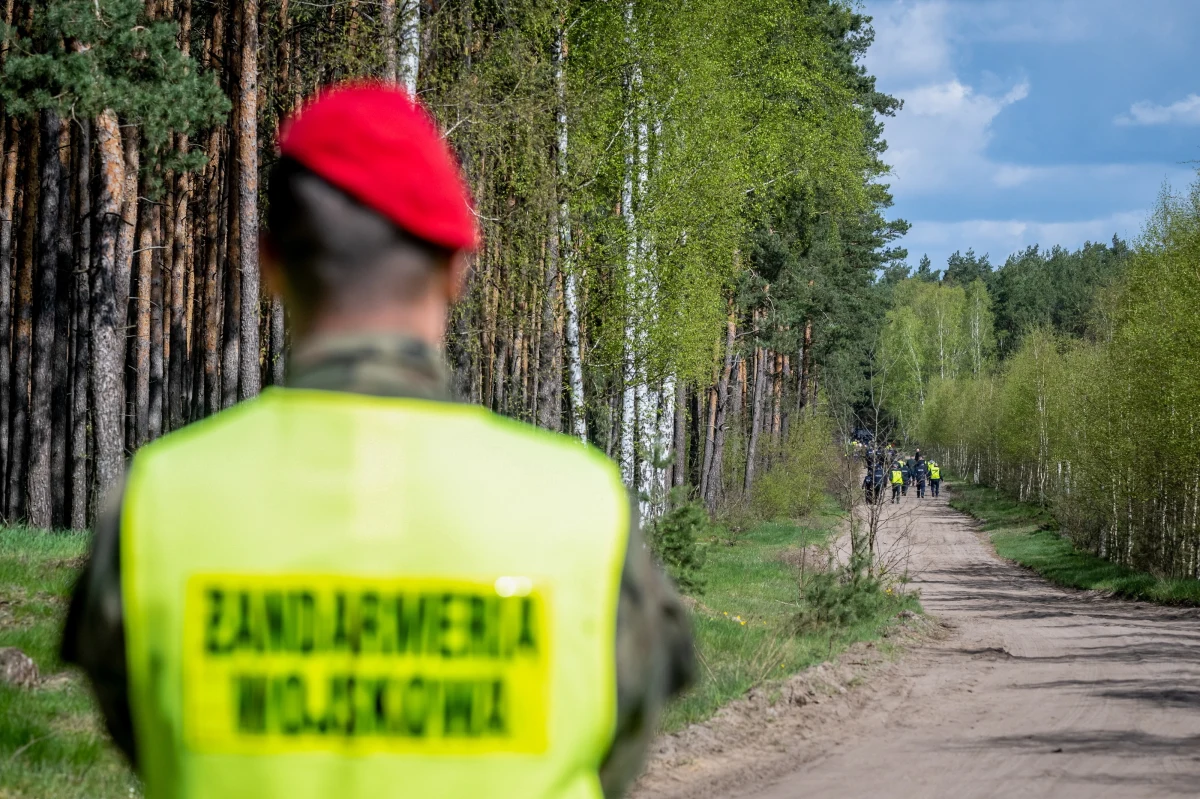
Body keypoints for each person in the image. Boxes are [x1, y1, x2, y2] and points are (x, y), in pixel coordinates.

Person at [60, 83, 694, 799]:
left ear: (270, 263)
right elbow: (621, 746)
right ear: (457, 269)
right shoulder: (581, 506)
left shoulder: (158, 500)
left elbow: (140, 729)